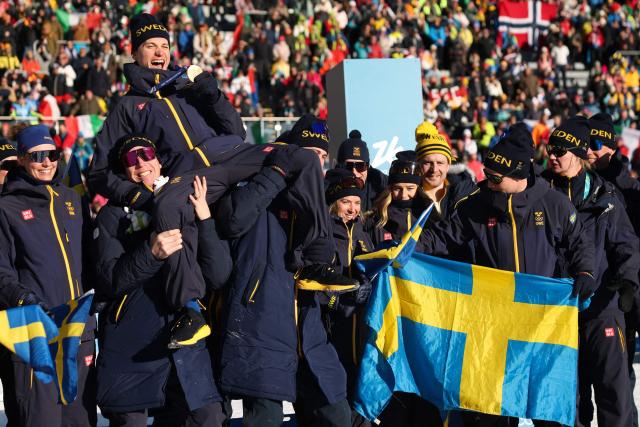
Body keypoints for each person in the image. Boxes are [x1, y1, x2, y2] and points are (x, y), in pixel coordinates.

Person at [88, 14, 355, 348]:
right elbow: (98, 172)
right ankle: (190, 309)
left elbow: (237, 129)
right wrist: (141, 196)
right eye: (150, 46)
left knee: (300, 156)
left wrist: (210, 92)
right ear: (135, 52)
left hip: (233, 154)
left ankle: (316, 261)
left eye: (164, 45)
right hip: (193, 174)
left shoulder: (187, 87)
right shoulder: (127, 107)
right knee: (168, 203)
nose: (159, 52)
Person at [420, 123, 596, 426]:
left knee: (549, 406)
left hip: (543, 322)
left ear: (518, 175)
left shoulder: (553, 203)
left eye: (495, 177)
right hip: (495, 324)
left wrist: (586, 272)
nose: (487, 182)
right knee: (493, 408)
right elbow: (441, 237)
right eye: (486, 174)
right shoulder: (475, 205)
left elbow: (580, 241)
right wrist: (408, 247)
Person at [214, 135, 353, 427]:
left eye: (321, 156)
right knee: (266, 419)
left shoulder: (317, 205)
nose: (314, 162)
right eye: (309, 153)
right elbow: (233, 220)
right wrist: (275, 174)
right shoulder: (253, 190)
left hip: (308, 335)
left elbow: (325, 258)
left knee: (336, 415)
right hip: (261, 328)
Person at [93, 136, 230, 426]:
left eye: (146, 154)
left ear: (158, 159)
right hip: (133, 343)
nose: (141, 163)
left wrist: (204, 218)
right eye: (131, 159)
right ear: (124, 170)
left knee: (208, 417)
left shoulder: (187, 200)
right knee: (130, 420)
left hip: (184, 339)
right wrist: (150, 254)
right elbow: (110, 280)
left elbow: (217, 275)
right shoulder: (112, 215)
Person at [544, 115, 639, 427]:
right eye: (549, 150)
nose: (552, 156)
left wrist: (627, 282)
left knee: (615, 395)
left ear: (577, 153)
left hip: (602, 307)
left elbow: (626, 244)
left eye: (559, 150)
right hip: (558, 310)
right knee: (568, 400)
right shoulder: (539, 194)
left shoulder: (606, 196)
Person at [0, 124, 96, 427]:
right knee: (40, 419)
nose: (46, 162)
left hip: (78, 329)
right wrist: (23, 298)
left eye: (51, 154)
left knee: (78, 418)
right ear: (22, 159)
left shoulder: (72, 199)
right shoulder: (7, 207)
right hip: (34, 330)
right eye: (37, 155)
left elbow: (91, 260)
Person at [588, 112, 640, 427]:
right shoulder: (581, 185)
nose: (590, 150)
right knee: (618, 375)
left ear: (610, 146)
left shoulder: (628, 187)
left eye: (596, 144)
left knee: (621, 376)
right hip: (606, 294)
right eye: (586, 144)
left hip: (631, 287)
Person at [323, 168, 374, 427]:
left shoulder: (364, 235)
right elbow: (312, 283)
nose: (352, 208)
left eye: (356, 202)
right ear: (334, 204)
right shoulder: (324, 235)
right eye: (346, 202)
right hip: (331, 336)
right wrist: (337, 301)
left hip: (361, 335)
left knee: (361, 410)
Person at [414, 121, 477, 227]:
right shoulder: (408, 197)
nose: (434, 169)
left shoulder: (466, 193)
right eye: (428, 163)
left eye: (440, 163)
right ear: (418, 164)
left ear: (448, 165)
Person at [366, 151, 426, 250]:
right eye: (398, 189)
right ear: (390, 189)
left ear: (419, 188)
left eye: (410, 188)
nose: (403, 195)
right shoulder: (377, 218)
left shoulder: (428, 215)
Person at [334, 130, 387, 213]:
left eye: (360, 166)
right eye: (348, 166)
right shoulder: (329, 189)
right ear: (339, 167)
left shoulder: (381, 187)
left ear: (368, 167)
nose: (354, 172)